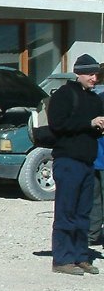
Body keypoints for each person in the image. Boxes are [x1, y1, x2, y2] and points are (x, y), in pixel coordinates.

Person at [47, 54, 104, 276]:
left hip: (87, 163)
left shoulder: (94, 99)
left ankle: (81, 256)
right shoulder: (63, 95)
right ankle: (62, 259)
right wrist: (88, 123)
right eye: (90, 74)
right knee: (66, 211)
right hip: (67, 161)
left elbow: (91, 127)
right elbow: (57, 125)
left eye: (96, 74)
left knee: (84, 213)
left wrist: (98, 126)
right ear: (78, 73)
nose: (94, 78)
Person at [89, 73, 104, 247]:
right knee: (95, 199)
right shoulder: (98, 99)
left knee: (95, 200)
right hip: (98, 157)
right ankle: (92, 234)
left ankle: (92, 235)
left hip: (97, 158)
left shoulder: (96, 97)